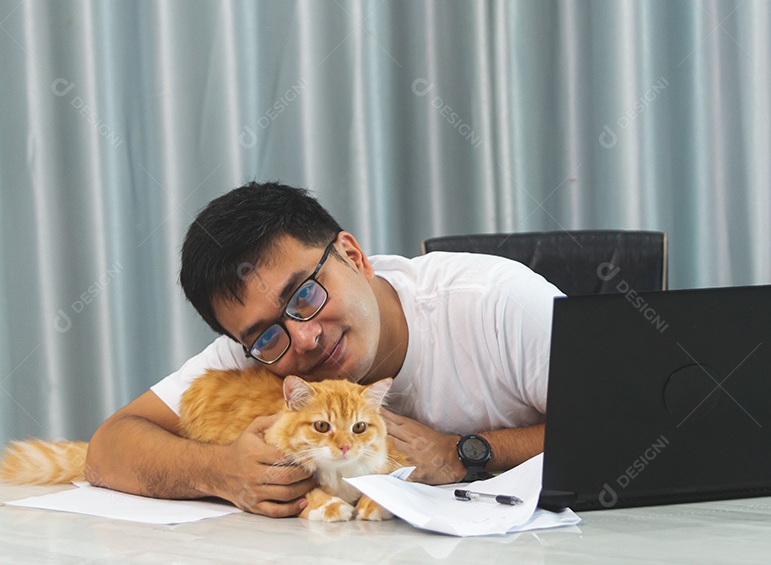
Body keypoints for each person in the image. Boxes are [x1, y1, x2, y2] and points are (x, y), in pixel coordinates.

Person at [85, 182, 563, 517]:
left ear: (353, 256)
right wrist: (220, 472)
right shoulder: (263, 352)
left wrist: (464, 451)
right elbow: (108, 449)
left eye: (305, 295)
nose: (304, 338)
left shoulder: (498, 302)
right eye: (265, 335)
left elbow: (611, 425)